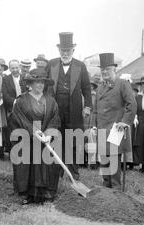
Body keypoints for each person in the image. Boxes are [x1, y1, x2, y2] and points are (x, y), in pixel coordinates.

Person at [8, 69, 61, 204]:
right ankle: (26, 194)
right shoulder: (21, 101)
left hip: (45, 140)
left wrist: (49, 134)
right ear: (30, 84)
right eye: (37, 81)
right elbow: (17, 119)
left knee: (46, 164)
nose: (40, 85)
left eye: (42, 82)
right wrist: (33, 131)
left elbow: (55, 119)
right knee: (27, 164)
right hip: (27, 140)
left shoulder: (51, 101)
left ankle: (45, 194)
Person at [46, 32, 92, 180]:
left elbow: (86, 88)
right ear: (59, 50)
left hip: (74, 111)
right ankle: (56, 173)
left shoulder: (80, 66)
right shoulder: (51, 64)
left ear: (73, 50)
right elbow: (46, 86)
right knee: (56, 139)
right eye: (63, 51)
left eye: (68, 51)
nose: (65, 53)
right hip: (55, 110)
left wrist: (87, 106)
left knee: (73, 141)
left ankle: (73, 173)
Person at [90, 53, 137, 189]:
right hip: (102, 128)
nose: (105, 72)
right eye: (102, 70)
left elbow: (132, 104)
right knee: (104, 158)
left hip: (116, 128)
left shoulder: (122, 84)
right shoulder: (100, 88)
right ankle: (106, 188)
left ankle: (116, 191)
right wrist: (94, 126)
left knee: (114, 159)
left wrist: (125, 121)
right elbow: (95, 109)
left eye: (108, 69)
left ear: (114, 70)